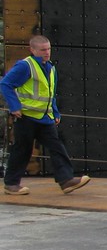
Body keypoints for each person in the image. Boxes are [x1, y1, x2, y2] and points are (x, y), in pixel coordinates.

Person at [2, 35, 90, 195]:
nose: (47, 52)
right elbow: (5, 84)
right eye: (43, 50)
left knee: (57, 146)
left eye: (48, 49)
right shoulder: (25, 66)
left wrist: (55, 112)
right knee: (22, 149)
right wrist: (14, 106)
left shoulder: (50, 68)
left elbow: (50, 93)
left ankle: (66, 180)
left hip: (44, 118)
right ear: (33, 50)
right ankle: (11, 184)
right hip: (26, 117)